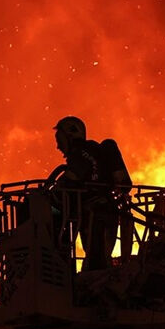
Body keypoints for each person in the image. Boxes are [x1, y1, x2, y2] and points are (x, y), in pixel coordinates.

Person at [51, 116, 130, 271]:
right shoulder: (94, 151)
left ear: (70, 136)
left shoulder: (80, 154)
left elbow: (70, 180)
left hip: (95, 216)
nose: (58, 146)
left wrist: (52, 194)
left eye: (59, 139)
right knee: (98, 262)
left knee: (97, 266)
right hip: (103, 214)